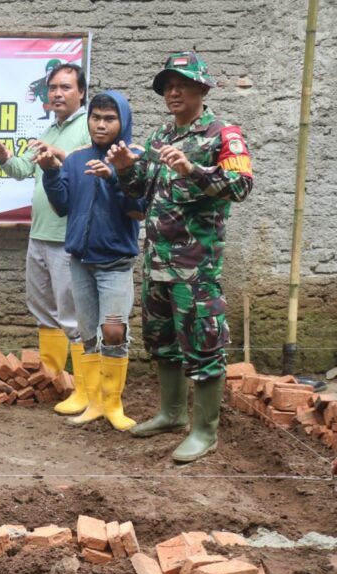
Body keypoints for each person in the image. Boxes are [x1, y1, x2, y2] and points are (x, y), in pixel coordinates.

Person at [106, 51, 253, 462]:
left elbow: (240, 186)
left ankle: (204, 431)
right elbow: (144, 192)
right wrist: (124, 170)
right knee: (163, 341)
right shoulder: (160, 137)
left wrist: (194, 170)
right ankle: (171, 413)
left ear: (202, 89)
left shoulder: (223, 134)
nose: (173, 92)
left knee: (205, 345)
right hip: (157, 263)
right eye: (167, 85)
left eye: (182, 84)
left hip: (196, 268)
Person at [0, 62, 91, 415]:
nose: (57, 94)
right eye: (53, 88)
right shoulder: (51, 128)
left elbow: (89, 168)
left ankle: (84, 389)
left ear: (81, 93)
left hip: (68, 238)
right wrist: (4, 159)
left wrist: (59, 154)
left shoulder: (88, 129)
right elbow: (24, 170)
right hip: (40, 234)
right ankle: (53, 377)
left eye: (65, 87)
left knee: (72, 314)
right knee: (44, 309)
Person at [39, 91, 144, 431]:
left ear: (123, 122)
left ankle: (113, 403)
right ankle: (93, 400)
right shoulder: (76, 159)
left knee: (113, 330)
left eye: (109, 119)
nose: (100, 124)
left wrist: (116, 176)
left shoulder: (135, 157)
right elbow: (62, 207)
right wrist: (52, 173)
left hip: (114, 262)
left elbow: (138, 208)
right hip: (80, 261)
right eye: (95, 117)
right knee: (87, 333)